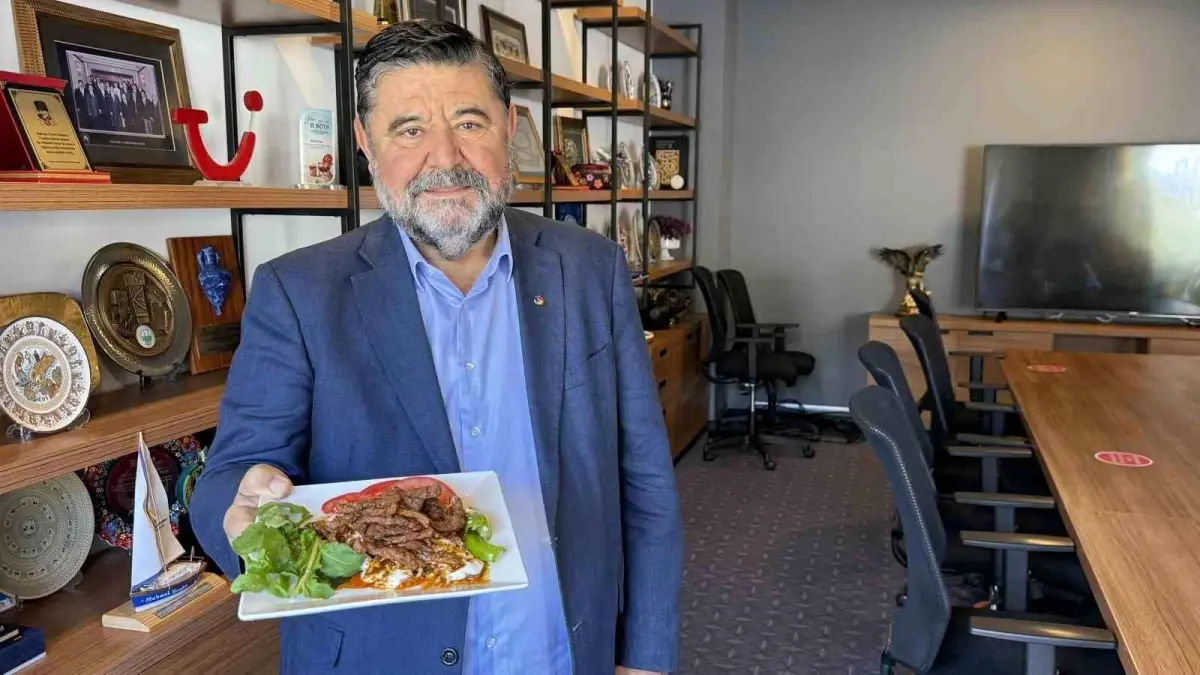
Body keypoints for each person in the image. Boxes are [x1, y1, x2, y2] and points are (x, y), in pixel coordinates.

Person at [188, 18, 683, 675]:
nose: (445, 158)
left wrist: (645, 656)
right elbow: (233, 473)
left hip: (560, 649)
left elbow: (644, 479)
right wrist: (240, 509)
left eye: (469, 122)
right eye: (409, 129)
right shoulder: (298, 292)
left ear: (510, 127)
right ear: (366, 144)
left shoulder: (590, 269)